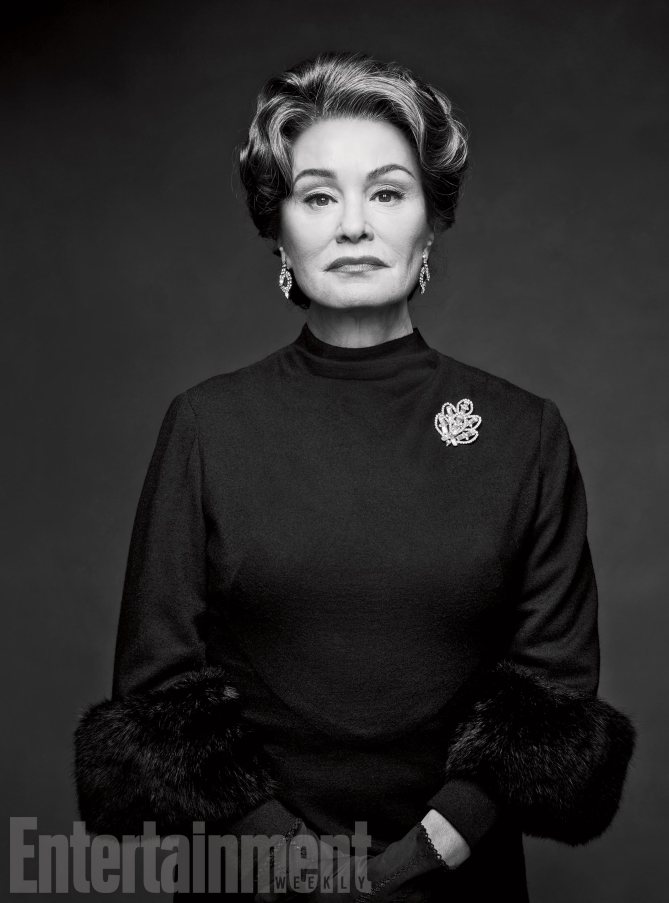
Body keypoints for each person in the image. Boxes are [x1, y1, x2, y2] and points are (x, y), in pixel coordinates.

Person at [73, 51, 637, 902]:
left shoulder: (524, 432)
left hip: (458, 878)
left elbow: (554, 683)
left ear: (430, 221)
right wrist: (298, 863)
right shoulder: (206, 426)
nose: (352, 226)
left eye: (385, 192)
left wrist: (417, 860)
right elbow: (156, 688)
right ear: (278, 229)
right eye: (317, 196)